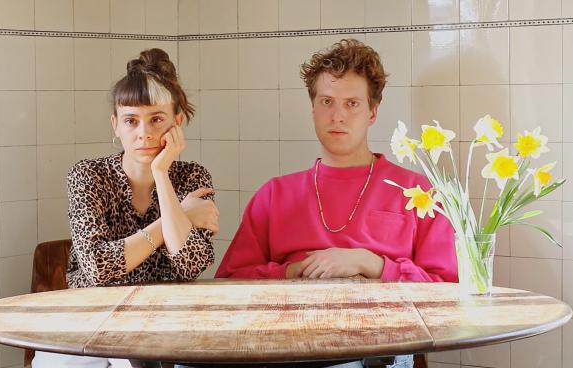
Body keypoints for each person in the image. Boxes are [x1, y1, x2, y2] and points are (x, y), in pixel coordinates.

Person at [215, 39, 457, 368]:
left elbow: (449, 293)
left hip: (378, 348)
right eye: (326, 101)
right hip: (283, 348)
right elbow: (228, 286)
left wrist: (372, 264)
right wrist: (290, 272)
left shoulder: (417, 191)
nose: (337, 116)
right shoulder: (274, 195)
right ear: (312, 108)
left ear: (372, 112)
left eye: (352, 103)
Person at [32, 48, 219, 368]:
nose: (143, 132)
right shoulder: (88, 176)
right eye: (131, 120)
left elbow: (190, 265)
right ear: (115, 125)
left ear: (177, 122)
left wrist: (162, 174)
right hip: (89, 318)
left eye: (156, 119)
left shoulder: (191, 177)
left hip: (162, 322)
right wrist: (179, 216)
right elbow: (99, 269)